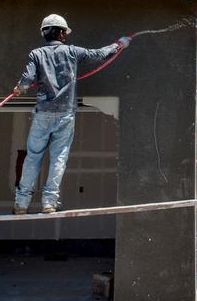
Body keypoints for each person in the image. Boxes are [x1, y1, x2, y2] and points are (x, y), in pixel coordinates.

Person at [12, 14, 130, 215]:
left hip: (43, 113)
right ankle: (49, 202)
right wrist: (119, 44)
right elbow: (100, 54)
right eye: (65, 32)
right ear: (61, 32)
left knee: (33, 157)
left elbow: (26, 81)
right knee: (59, 157)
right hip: (65, 113)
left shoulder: (36, 54)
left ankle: (21, 204)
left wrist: (19, 88)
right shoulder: (73, 52)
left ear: (45, 33)